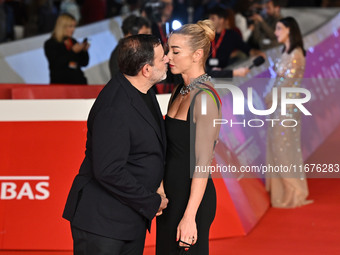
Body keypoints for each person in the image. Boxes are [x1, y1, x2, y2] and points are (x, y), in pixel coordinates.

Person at [63, 34, 169, 255]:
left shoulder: (144, 89)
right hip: (103, 225)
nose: (167, 59)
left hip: (128, 221)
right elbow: (109, 171)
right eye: (162, 58)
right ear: (146, 70)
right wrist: (151, 201)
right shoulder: (114, 107)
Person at [156, 19, 221, 255]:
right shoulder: (179, 91)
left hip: (191, 201)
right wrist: (161, 188)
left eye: (175, 51)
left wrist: (190, 216)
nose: (167, 57)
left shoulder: (204, 98)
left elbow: (203, 163)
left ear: (197, 55)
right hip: (169, 199)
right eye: (168, 50)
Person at [265, 17, 313, 208]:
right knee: (278, 147)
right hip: (278, 106)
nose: (275, 32)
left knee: (284, 148)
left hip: (287, 108)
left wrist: (271, 96)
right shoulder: (285, 52)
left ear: (289, 30)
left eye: (279, 28)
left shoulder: (296, 54)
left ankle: (294, 191)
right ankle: (284, 192)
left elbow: (287, 83)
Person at [44, 13, 89, 84]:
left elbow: (84, 63)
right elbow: (56, 64)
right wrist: (73, 52)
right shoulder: (51, 43)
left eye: (74, 26)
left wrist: (84, 51)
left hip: (78, 83)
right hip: (61, 85)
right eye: (70, 26)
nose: (73, 29)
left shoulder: (73, 41)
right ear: (62, 27)